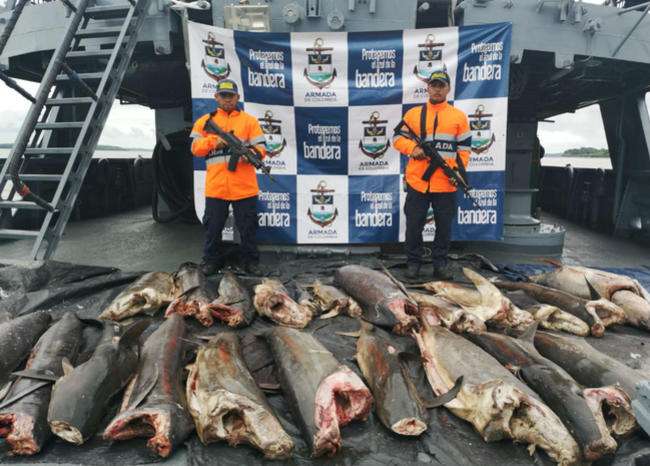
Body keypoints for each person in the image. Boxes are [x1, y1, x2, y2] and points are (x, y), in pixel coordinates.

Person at [393, 70, 472, 280]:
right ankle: (413, 263)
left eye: (441, 85)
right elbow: (397, 139)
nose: (437, 89)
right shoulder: (413, 115)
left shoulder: (459, 117)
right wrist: (413, 149)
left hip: (446, 183)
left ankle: (440, 265)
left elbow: (464, 150)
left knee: (444, 228)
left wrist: (456, 172)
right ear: (427, 87)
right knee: (413, 226)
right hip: (418, 181)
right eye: (433, 85)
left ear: (448, 89)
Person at [190, 79, 266, 275]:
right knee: (213, 228)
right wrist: (216, 141)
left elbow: (261, 149)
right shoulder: (204, 121)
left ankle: (250, 262)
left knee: (248, 228)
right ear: (216, 97)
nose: (227, 100)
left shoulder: (249, 121)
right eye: (223, 96)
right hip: (217, 188)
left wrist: (252, 154)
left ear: (237, 97)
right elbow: (195, 148)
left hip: (244, 187)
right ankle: (210, 262)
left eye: (230, 96)